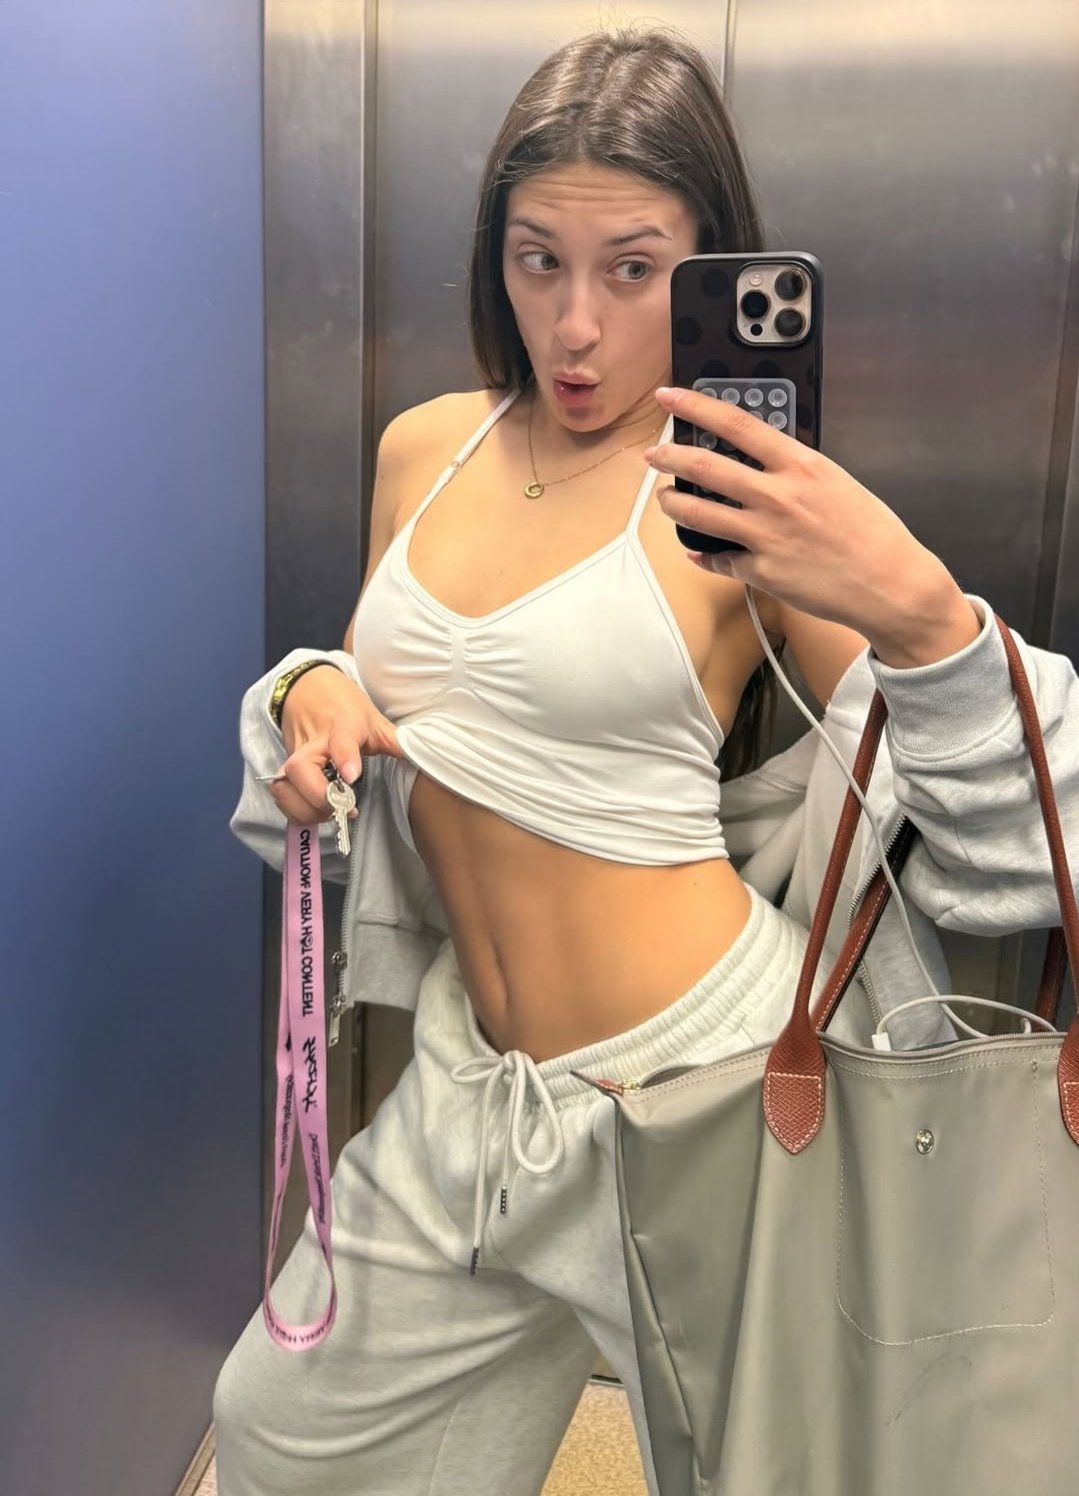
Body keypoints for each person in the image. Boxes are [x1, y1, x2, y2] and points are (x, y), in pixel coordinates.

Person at [212, 24, 1079, 1496]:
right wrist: (315, 690)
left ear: (705, 265)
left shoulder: (743, 500)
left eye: (631, 270)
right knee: (284, 1431)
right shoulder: (424, 448)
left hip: (705, 1092)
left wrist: (921, 611)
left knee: (782, 1467)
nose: (577, 327)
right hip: (474, 1088)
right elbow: (414, 684)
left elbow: (992, 809)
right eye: (537, 260)